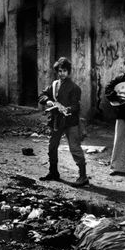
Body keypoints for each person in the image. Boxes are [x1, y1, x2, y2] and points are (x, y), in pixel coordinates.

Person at [38, 57, 88, 187]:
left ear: (69, 72)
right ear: (57, 72)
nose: (62, 73)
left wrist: (67, 109)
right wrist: (47, 101)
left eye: (65, 71)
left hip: (71, 122)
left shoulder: (75, 88)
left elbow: (76, 106)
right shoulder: (54, 85)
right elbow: (42, 95)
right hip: (56, 121)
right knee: (52, 146)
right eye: (60, 71)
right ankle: (53, 172)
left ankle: (83, 177)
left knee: (75, 148)